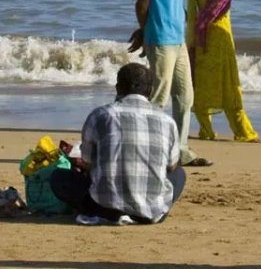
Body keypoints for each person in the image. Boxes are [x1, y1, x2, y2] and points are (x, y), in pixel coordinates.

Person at [50, 63, 186, 224]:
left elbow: (87, 161)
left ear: (118, 88)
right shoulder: (167, 121)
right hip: (151, 211)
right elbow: (171, 166)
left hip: (104, 207)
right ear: (150, 90)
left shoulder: (100, 115)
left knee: (58, 177)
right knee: (179, 174)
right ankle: (148, 206)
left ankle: (106, 208)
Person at [132, 0, 212, 167]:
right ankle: (150, 150)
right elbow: (142, 3)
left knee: (185, 96)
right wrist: (144, 33)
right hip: (160, 39)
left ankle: (179, 150)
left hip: (177, 40)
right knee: (159, 97)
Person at [185, 0, 259, 142]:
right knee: (228, 84)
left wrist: (191, 17)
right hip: (218, 36)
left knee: (202, 81)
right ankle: (243, 132)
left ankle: (206, 130)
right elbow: (221, 2)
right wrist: (205, 21)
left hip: (198, 37)